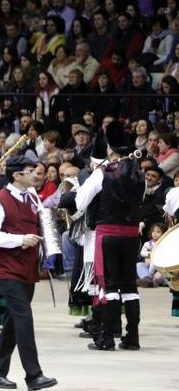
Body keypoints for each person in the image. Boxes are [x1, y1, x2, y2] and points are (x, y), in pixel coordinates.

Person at [63, 121, 146, 351]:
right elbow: (139, 203)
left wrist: (69, 197)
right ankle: (132, 338)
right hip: (131, 236)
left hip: (107, 233)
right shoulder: (140, 175)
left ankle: (106, 339)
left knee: (107, 286)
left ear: (110, 149)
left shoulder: (102, 173)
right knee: (129, 286)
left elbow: (80, 203)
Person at [0, 156, 58, 390]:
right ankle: (33, 375)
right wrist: (20, 240)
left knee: (14, 321)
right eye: (30, 171)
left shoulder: (32, 197)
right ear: (16, 175)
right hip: (7, 268)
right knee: (24, 318)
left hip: (27, 266)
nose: (36, 175)